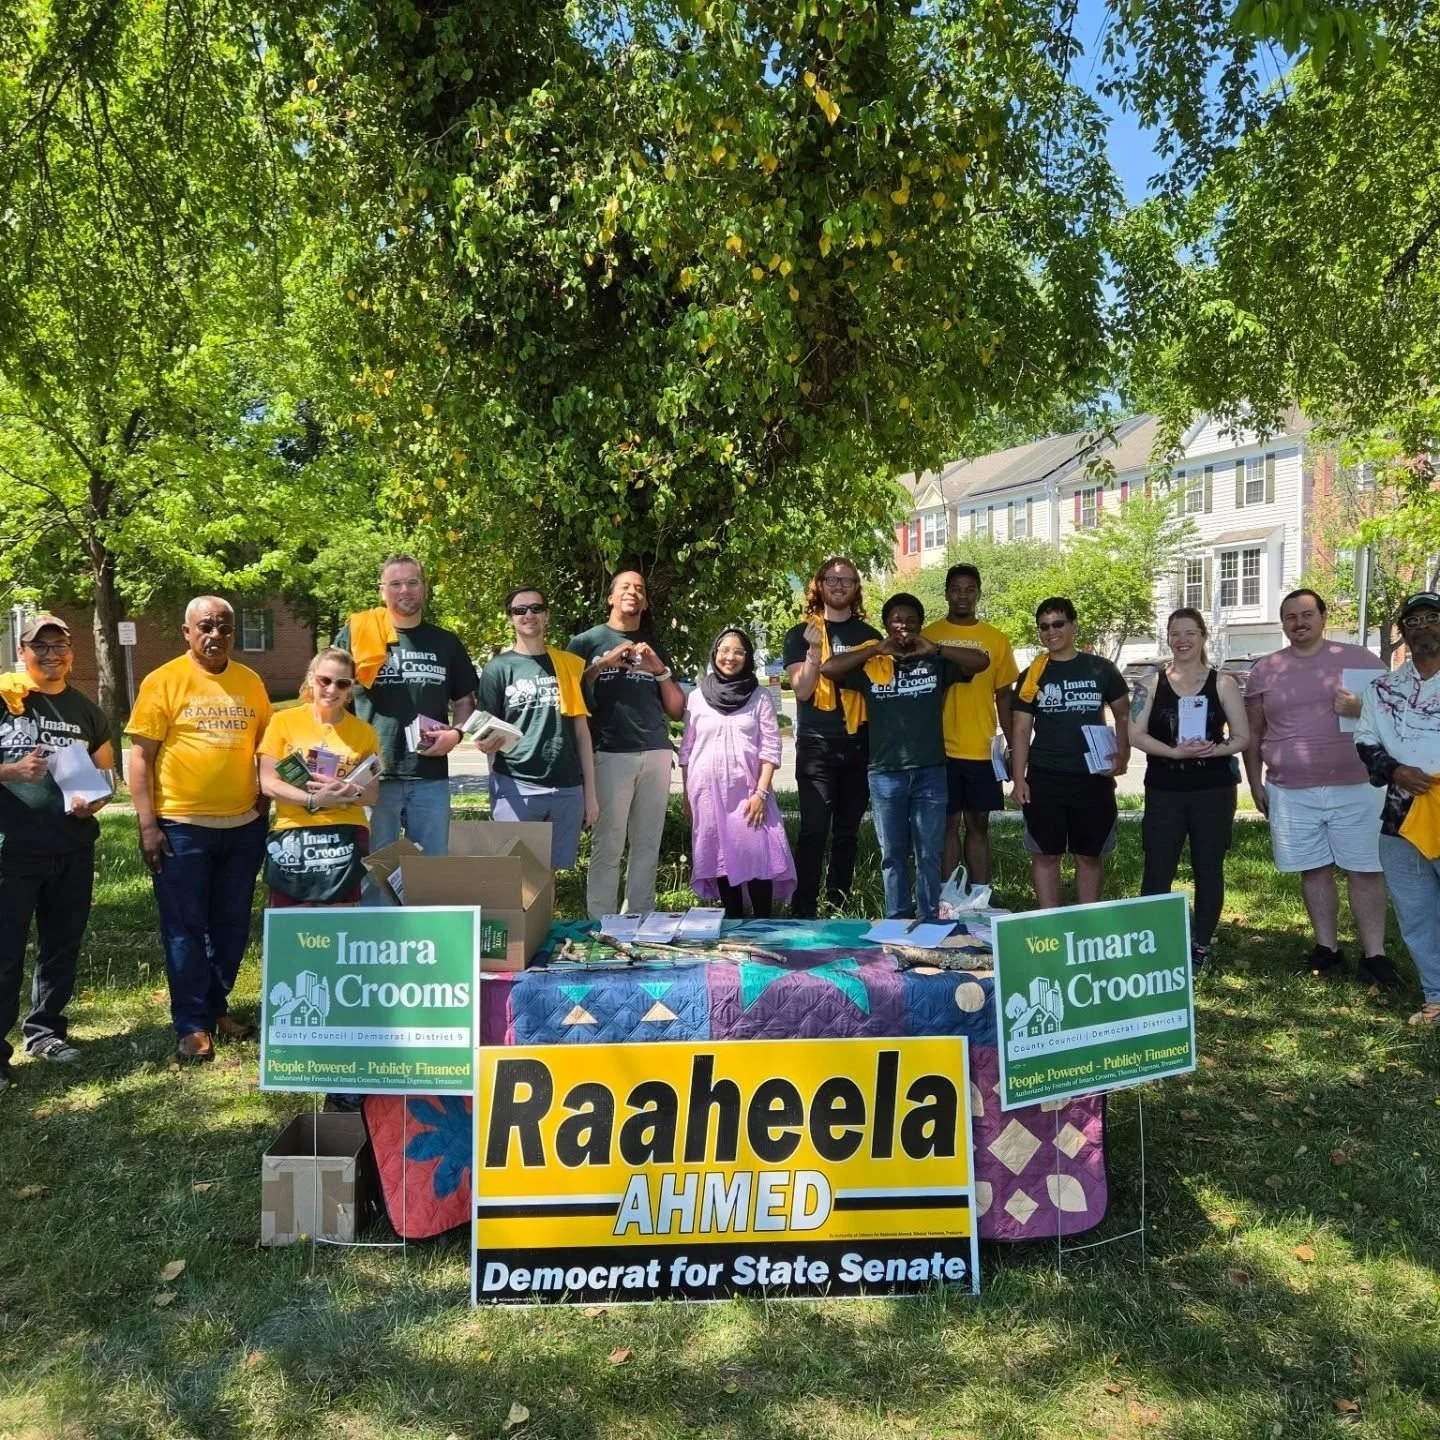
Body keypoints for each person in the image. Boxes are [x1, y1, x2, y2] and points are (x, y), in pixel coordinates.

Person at [128, 597, 272, 1061]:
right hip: (181, 827)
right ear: (187, 631)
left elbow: (266, 749)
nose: (216, 635)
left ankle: (216, 1008)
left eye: (225, 627)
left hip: (243, 826)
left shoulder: (250, 683)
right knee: (185, 928)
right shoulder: (163, 681)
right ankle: (191, 1024)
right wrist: (148, 824)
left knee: (231, 927)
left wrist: (267, 803)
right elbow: (140, 758)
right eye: (206, 626)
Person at [1242, 588, 1391, 982]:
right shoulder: (1265, 670)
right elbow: (1254, 731)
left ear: (1324, 617)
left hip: (1358, 784)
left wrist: (1361, 708)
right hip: (1290, 788)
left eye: (1307, 614)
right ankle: (1327, 948)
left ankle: (1374, 955)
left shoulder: (1361, 660)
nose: (1299, 623)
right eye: (1290, 616)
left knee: (1365, 869)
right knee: (1313, 868)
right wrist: (1254, 782)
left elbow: (1394, 718)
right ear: (1283, 623)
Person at [821, 594, 988, 919]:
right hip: (885, 774)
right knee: (893, 853)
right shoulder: (872, 666)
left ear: (920, 624)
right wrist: (873, 649)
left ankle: (927, 916)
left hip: (930, 772)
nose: (904, 626)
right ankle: (898, 918)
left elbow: (981, 661)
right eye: (896, 620)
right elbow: (828, 670)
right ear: (886, 624)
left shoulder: (936, 662)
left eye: (911, 620)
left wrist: (936, 649)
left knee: (929, 852)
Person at [0, 615, 113, 1089]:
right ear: (22, 651)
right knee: (4, 953)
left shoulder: (87, 711)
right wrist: (9, 771)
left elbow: (108, 777)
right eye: (39, 645)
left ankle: (45, 1030)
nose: (51, 653)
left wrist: (96, 802)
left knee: (60, 946)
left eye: (60, 644)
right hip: (10, 850)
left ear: (72, 652)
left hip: (71, 849)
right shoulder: (6, 699)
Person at [336, 554, 477, 867]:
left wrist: (455, 734)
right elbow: (330, 694)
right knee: (373, 870)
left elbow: (466, 700)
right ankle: (376, 919)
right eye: (396, 583)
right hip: (372, 774)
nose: (405, 590)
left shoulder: (446, 642)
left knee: (430, 871)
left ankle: (424, 919)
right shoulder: (357, 634)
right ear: (381, 590)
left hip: (429, 775)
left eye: (413, 582)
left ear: (424, 588)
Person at [1128, 608, 1249, 970]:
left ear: (1202, 637)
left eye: (1190, 633)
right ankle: (1153, 944)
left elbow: (1243, 737)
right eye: (1175, 633)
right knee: (1157, 868)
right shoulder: (1148, 685)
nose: (1182, 640)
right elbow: (1135, 734)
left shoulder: (1223, 683)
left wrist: (1217, 748)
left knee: (1208, 867)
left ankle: (1200, 944)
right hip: (1164, 787)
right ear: (1167, 638)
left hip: (1213, 789)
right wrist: (1174, 753)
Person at [568, 570, 685, 918]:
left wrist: (659, 668)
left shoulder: (654, 644)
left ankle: (640, 919)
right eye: (625, 587)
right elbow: (568, 699)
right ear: (611, 597)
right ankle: (602, 925)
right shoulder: (586, 642)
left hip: (656, 751)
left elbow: (676, 709)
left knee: (647, 845)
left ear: (645, 601)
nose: (633, 592)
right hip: (609, 752)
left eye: (639, 589)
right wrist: (602, 665)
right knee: (608, 846)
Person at [1010, 597, 1131, 909]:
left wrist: (1123, 755)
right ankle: (1050, 921)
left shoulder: (1100, 669)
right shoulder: (1033, 674)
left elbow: (1123, 715)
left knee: (1089, 855)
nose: (1051, 631)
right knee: (1046, 854)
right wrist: (1018, 779)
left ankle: (1086, 922)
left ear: (1074, 625)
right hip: (1045, 777)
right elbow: (1021, 729)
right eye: (1044, 627)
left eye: (1058, 624)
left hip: (1093, 777)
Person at [1355, 591, 1440, 1027]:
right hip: (1401, 810)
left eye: (1432, 617)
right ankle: (1436, 999)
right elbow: (1364, 740)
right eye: (1414, 620)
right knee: (1416, 912)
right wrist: (1395, 770)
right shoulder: (1383, 687)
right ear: (1403, 630)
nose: (1423, 626)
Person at [781, 557, 883, 917]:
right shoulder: (800, 633)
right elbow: (804, 691)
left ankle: (837, 905)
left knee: (847, 833)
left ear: (856, 588)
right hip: (816, 743)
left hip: (859, 741)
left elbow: (879, 690)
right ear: (819, 585)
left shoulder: (870, 637)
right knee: (813, 830)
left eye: (847, 580)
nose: (839, 586)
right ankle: (803, 909)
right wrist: (812, 652)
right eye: (832, 579)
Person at [475, 587, 597, 870]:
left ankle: (544, 918)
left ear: (547, 615)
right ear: (510, 618)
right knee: (513, 875)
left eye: (536, 608)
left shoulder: (568, 665)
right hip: (516, 784)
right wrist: (485, 749)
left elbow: (581, 732)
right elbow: (485, 734)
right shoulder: (498, 668)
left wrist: (590, 795)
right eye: (520, 610)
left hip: (567, 788)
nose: (528, 615)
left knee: (549, 876)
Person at [680, 628, 797, 917]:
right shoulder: (696, 697)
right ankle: (733, 922)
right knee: (720, 854)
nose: (730, 657)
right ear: (714, 653)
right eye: (724, 650)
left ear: (747, 658)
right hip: (706, 795)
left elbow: (770, 749)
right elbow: (687, 749)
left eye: (739, 651)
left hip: (749, 793)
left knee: (757, 854)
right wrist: (686, 795)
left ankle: (763, 925)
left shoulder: (759, 698)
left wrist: (761, 792)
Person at [257, 648, 382, 906]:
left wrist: (345, 789)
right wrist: (313, 800)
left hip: (345, 836)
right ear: (312, 679)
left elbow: (372, 794)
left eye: (342, 683)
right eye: (325, 680)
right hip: (293, 833)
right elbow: (268, 782)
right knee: (290, 925)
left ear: (350, 689)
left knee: (339, 924)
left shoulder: (364, 732)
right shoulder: (283, 721)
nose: (331, 689)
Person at [922, 563, 1019, 885]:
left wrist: (1014, 745)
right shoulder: (929, 636)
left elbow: (1004, 697)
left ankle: (980, 898)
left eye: (970, 590)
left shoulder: (996, 639)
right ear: (946, 593)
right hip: (939, 749)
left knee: (979, 825)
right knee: (947, 825)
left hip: (981, 748)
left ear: (978, 593)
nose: (963, 596)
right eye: (956, 589)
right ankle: (950, 900)